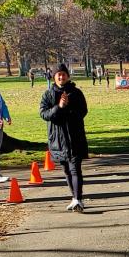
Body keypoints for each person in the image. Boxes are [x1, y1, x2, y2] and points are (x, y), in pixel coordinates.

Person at [40, 64, 89, 211]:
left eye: (63, 74)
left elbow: (83, 111)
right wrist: (59, 107)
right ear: (54, 77)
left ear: (68, 76)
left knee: (75, 169)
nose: (61, 77)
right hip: (57, 138)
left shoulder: (76, 93)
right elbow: (44, 114)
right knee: (66, 170)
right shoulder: (48, 94)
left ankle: (78, 199)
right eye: (58, 75)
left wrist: (68, 109)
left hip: (74, 136)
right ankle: (74, 198)